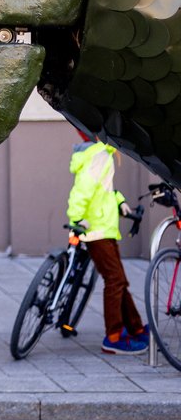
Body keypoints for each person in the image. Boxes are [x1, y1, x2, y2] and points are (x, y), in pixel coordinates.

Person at [68, 133, 149, 354]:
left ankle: (136, 328)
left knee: (119, 280)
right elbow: (83, 190)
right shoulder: (99, 155)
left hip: (104, 227)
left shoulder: (102, 154)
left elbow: (103, 190)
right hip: (96, 231)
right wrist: (76, 218)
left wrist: (120, 201)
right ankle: (113, 337)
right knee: (114, 281)